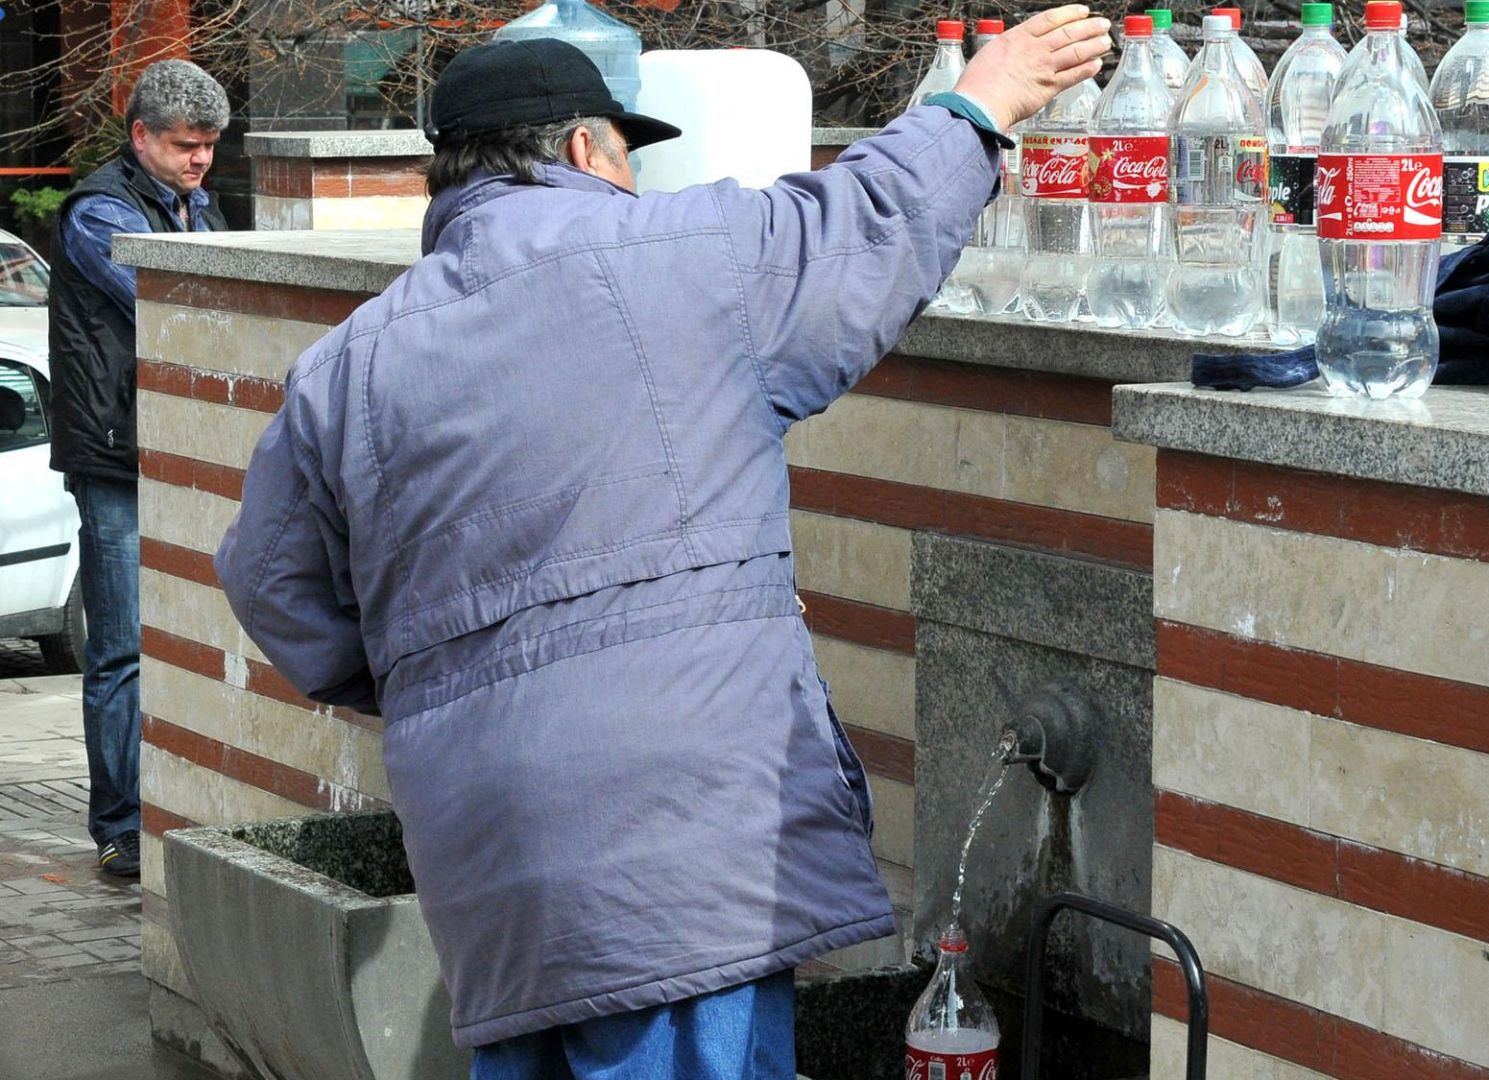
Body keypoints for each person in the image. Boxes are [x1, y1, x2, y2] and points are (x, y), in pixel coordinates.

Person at [214, 11, 1107, 1077]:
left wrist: (431, 674)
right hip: (676, 857)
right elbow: (863, 218)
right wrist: (979, 104)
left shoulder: (343, 368)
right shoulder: (686, 257)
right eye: (627, 153)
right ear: (589, 149)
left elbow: (268, 579)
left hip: (486, 854)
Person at [45, 59, 230, 879]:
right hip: (119, 456)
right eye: (186, 146)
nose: (200, 161)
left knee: (195, 635)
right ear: (141, 137)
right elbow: (170, 295)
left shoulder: (198, 202)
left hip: (183, 449)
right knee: (120, 649)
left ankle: (186, 806)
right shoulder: (100, 212)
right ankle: (121, 824)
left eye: (210, 147)